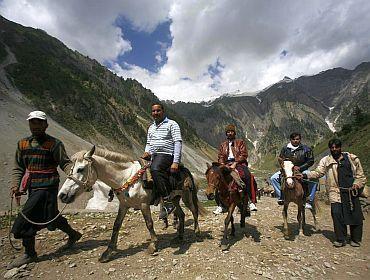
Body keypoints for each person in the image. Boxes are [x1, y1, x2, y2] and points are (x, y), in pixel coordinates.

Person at [8, 111, 82, 269]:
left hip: (48, 187)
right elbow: (18, 167)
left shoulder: (54, 144)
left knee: (25, 218)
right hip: (32, 187)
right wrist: (16, 184)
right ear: (29, 124)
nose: (36, 126)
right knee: (52, 215)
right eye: (33, 123)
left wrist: (73, 174)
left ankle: (30, 254)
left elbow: (64, 162)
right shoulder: (22, 145)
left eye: (39, 123)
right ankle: (73, 234)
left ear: (46, 125)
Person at [303, 139, 366, 247]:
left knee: (354, 213)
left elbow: (360, 176)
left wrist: (357, 184)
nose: (334, 149)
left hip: (352, 191)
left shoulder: (352, 158)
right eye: (332, 148)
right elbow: (318, 172)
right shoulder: (326, 160)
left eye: (336, 147)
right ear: (330, 148)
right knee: (336, 213)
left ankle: (355, 239)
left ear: (340, 147)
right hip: (335, 191)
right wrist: (305, 175)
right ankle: (341, 238)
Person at [141, 103, 182, 219]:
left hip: (167, 154)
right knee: (138, 168)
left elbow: (177, 142)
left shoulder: (172, 124)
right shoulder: (151, 127)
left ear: (163, 111)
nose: (155, 113)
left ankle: (167, 201)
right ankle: (151, 195)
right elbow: (148, 143)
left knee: (155, 168)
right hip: (153, 155)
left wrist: (176, 162)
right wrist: (146, 152)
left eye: (158, 111)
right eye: (153, 111)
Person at [216, 124, 257, 214]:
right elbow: (221, 156)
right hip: (226, 164)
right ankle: (220, 204)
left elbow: (244, 154)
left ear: (234, 133)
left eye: (231, 131)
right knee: (217, 177)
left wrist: (235, 163)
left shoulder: (240, 142)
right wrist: (222, 164)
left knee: (247, 175)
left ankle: (250, 201)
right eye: (228, 132)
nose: (229, 133)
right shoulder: (223, 145)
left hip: (239, 163)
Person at [270, 132, 317, 208]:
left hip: (302, 169)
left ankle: (309, 200)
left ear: (300, 139)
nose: (295, 141)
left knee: (314, 179)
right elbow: (281, 159)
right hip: (288, 170)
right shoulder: (285, 149)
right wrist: (284, 166)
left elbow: (310, 161)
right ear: (290, 140)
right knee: (273, 178)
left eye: (297, 139)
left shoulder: (306, 149)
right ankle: (282, 196)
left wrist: (300, 167)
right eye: (293, 139)